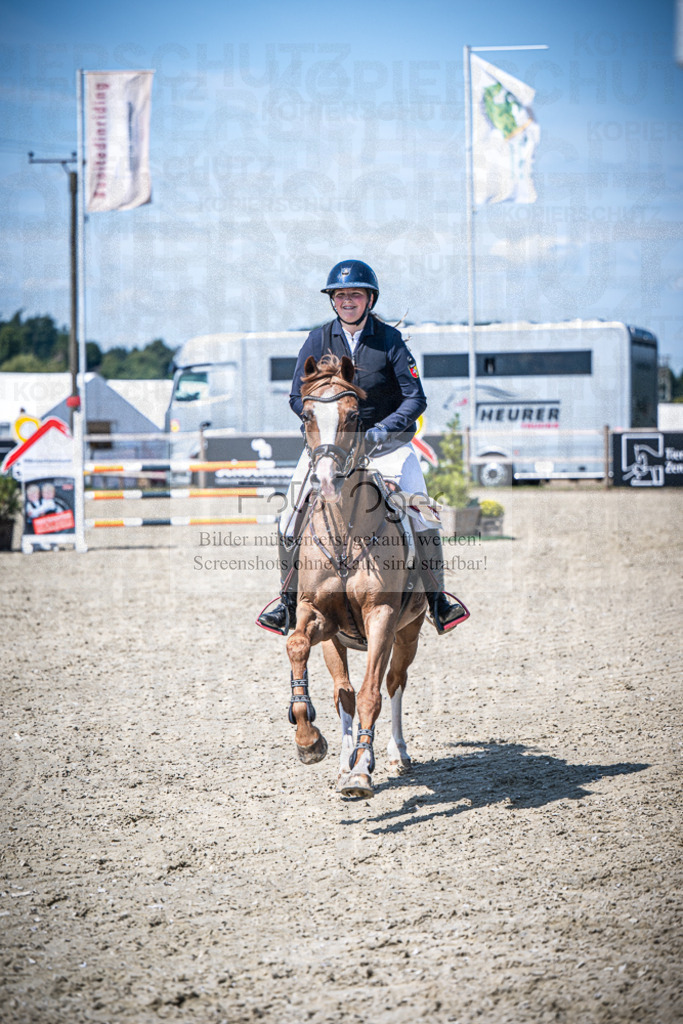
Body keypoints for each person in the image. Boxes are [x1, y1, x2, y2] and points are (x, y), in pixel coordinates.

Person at [257, 259, 467, 636]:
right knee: (288, 513)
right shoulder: (317, 338)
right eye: (340, 295)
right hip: (330, 449)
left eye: (354, 294)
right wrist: (322, 423)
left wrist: (382, 430)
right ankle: (287, 603)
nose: (347, 301)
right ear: (333, 301)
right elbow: (295, 396)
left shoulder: (389, 341)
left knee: (421, 511)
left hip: (387, 448)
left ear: (369, 299)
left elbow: (414, 398)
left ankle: (438, 599)